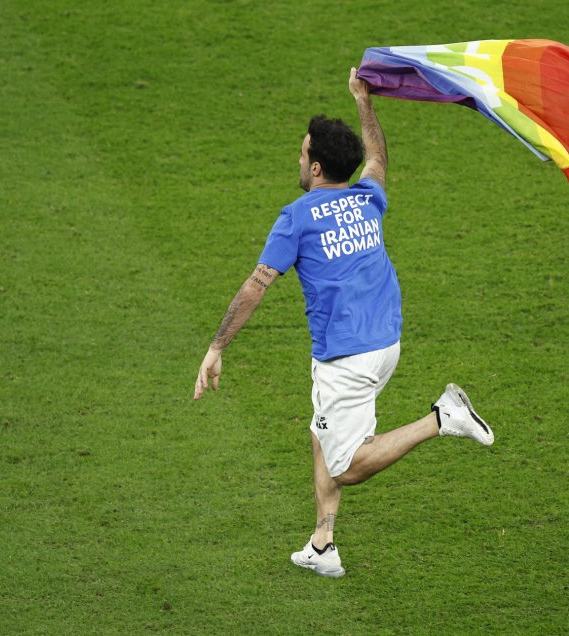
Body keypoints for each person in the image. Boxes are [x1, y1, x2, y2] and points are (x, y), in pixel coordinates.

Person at [193, 68, 494, 578]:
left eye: (302, 149)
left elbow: (255, 285)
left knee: (347, 464)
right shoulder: (366, 198)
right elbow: (377, 157)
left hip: (347, 355)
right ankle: (322, 542)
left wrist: (217, 346)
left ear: (314, 165)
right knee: (321, 430)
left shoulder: (297, 216)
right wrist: (364, 102)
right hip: (384, 340)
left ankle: (442, 418)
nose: (299, 155)